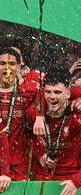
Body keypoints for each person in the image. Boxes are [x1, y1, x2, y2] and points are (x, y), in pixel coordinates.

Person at [0, 47, 40, 180]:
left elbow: (52, 92)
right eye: (2, 64)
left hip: (19, 164)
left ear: (19, 67)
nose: (7, 68)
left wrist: (40, 115)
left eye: (12, 64)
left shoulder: (29, 89)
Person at [0, 34, 45, 136]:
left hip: (20, 140)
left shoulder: (34, 77)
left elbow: (55, 87)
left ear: (21, 61)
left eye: (14, 56)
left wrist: (40, 115)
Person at [32, 66, 81, 195]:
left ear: (68, 93)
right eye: (48, 92)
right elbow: (25, 138)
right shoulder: (33, 113)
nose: (52, 97)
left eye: (57, 92)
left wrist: (77, 181)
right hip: (41, 181)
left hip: (70, 182)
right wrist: (40, 153)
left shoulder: (77, 116)